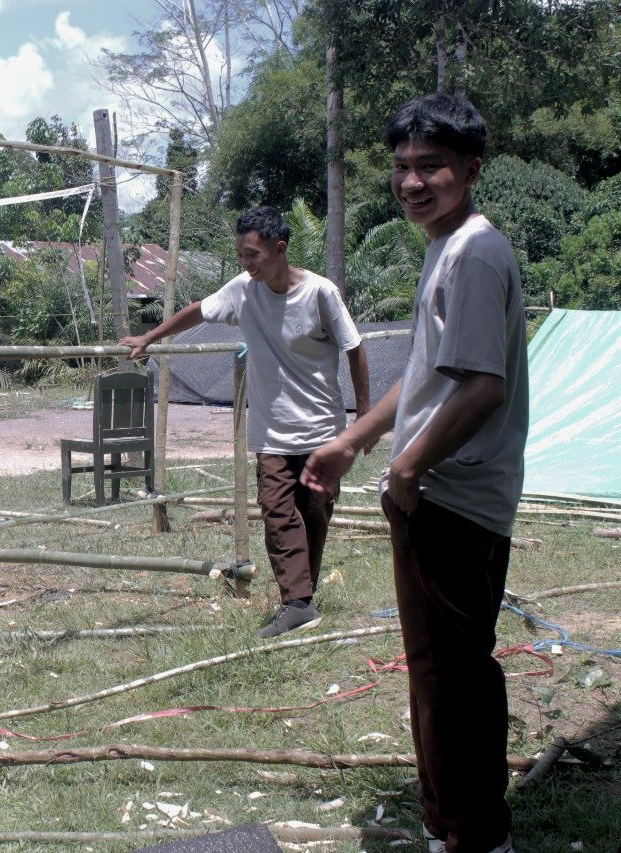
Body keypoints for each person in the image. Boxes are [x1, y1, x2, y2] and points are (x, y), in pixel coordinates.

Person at [302, 94, 526, 853]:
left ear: (470, 168)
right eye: (401, 166)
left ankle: (469, 833)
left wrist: (406, 467)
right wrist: (353, 440)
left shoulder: (474, 253)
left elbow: (482, 388)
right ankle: (454, 820)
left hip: (451, 497)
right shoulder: (446, 245)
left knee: (451, 679)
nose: (412, 181)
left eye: (430, 165)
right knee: (439, 670)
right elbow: (433, 376)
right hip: (438, 489)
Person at [120, 206, 369, 638]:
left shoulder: (320, 293)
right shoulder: (243, 289)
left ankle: (301, 599)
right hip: (272, 432)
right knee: (277, 513)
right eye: (241, 256)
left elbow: (354, 347)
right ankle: (296, 603)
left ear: (280, 249)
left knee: (314, 515)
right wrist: (150, 337)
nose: (247, 264)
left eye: (253, 255)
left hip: (322, 430)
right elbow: (199, 310)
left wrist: (364, 416)